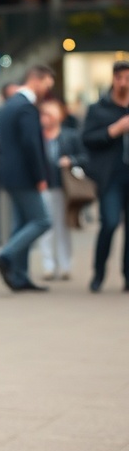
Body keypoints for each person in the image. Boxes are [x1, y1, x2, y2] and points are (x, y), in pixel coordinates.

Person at [0, 65, 55, 292]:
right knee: (42, 221)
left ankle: (19, 277)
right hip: (25, 175)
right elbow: (31, 145)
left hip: (9, 174)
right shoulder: (26, 107)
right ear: (38, 79)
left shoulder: (10, 105)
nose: (48, 89)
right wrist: (40, 176)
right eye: (48, 83)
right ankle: (5, 255)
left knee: (23, 224)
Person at [82, 60, 129, 293]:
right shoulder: (98, 108)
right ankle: (98, 273)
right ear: (113, 79)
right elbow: (87, 139)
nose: (124, 83)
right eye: (120, 78)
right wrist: (115, 130)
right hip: (111, 178)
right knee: (109, 224)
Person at [39, 98, 88, 280]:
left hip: (63, 187)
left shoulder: (70, 135)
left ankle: (65, 264)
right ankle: (48, 266)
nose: (47, 118)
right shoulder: (37, 136)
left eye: (51, 113)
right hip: (42, 187)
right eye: (44, 113)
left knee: (62, 226)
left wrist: (71, 161)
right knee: (45, 227)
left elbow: (84, 157)